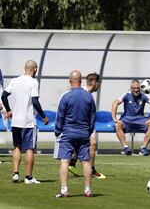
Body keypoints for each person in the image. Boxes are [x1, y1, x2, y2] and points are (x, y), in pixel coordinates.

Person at [1, 60, 49, 184]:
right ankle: (28, 177)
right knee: (30, 148)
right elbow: (35, 101)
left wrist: (9, 110)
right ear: (35, 69)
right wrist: (43, 116)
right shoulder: (33, 82)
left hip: (16, 121)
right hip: (28, 121)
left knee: (17, 147)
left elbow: (4, 96)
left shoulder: (15, 80)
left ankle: (15, 174)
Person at [53, 70, 96, 198]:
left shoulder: (66, 96)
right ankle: (87, 190)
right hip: (83, 133)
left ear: (70, 80)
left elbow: (60, 116)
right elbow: (93, 117)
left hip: (68, 133)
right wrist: (88, 132)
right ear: (81, 80)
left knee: (65, 161)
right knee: (86, 161)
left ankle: (64, 190)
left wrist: (57, 130)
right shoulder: (89, 96)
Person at [68, 72, 106, 179]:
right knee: (92, 144)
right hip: (76, 127)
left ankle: (72, 162)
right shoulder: (83, 93)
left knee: (84, 144)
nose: (99, 86)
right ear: (95, 83)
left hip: (80, 127)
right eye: (99, 84)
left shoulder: (86, 93)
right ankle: (92, 170)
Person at [111, 79, 150, 156]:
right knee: (117, 125)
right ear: (131, 88)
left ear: (140, 88)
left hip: (140, 120)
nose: (136, 90)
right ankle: (126, 148)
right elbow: (115, 103)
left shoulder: (144, 95)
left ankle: (143, 149)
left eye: (138, 88)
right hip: (127, 120)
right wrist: (114, 118)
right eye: (134, 88)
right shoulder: (126, 94)